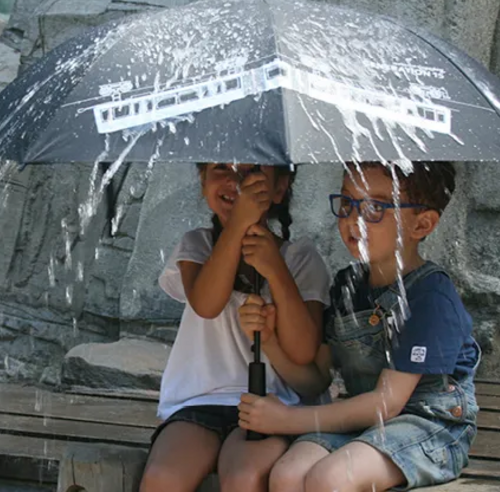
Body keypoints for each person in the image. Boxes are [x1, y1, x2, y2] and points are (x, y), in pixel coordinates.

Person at [237, 161, 481, 492]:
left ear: (422, 224)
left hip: (428, 427)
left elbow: (387, 403)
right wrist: (270, 344)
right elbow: (316, 380)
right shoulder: (347, 286)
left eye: (374, 208)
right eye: (347, 203)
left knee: (330, 479)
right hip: (365, 423)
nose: (353, 220)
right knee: (287, 474)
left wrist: (288, 420)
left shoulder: (430, 296)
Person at [139, 163, 330, 492]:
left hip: (271, 405)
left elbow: (303, 351)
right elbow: (207, 304)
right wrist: (240, 222)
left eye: (251, 169)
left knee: (244, 479)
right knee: (162, 479)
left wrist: (275, 269)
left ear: (279, 188)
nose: (234, 180)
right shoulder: (195, 246)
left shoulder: (300, 258)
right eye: (220, 167)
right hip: (199, 402)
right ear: (202, 181)